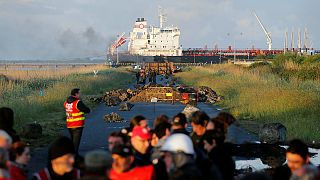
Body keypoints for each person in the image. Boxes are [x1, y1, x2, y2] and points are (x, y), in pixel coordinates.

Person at [64, 88, 91, 154]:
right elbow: (87, 110)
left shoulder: (66, 102)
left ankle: (70, 153)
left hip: (69, 124)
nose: (81, 94)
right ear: (76, 94)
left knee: (72, 140)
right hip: (77, 125)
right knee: (76, 143)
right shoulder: (78, 102)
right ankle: (74, 157)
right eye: (80, 93)